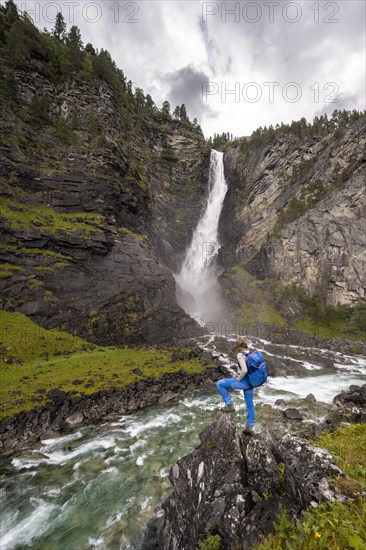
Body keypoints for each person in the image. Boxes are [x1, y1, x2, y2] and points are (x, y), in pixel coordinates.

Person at [216, 337, 255, 435]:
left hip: (244, 381)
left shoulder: (240, 354)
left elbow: (244, 370)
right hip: (251, 382)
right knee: (249, 404)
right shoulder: (251, 352)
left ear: (238, 346)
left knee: (219, 384)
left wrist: (238, 379)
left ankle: (229, 405)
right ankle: (249, 427)